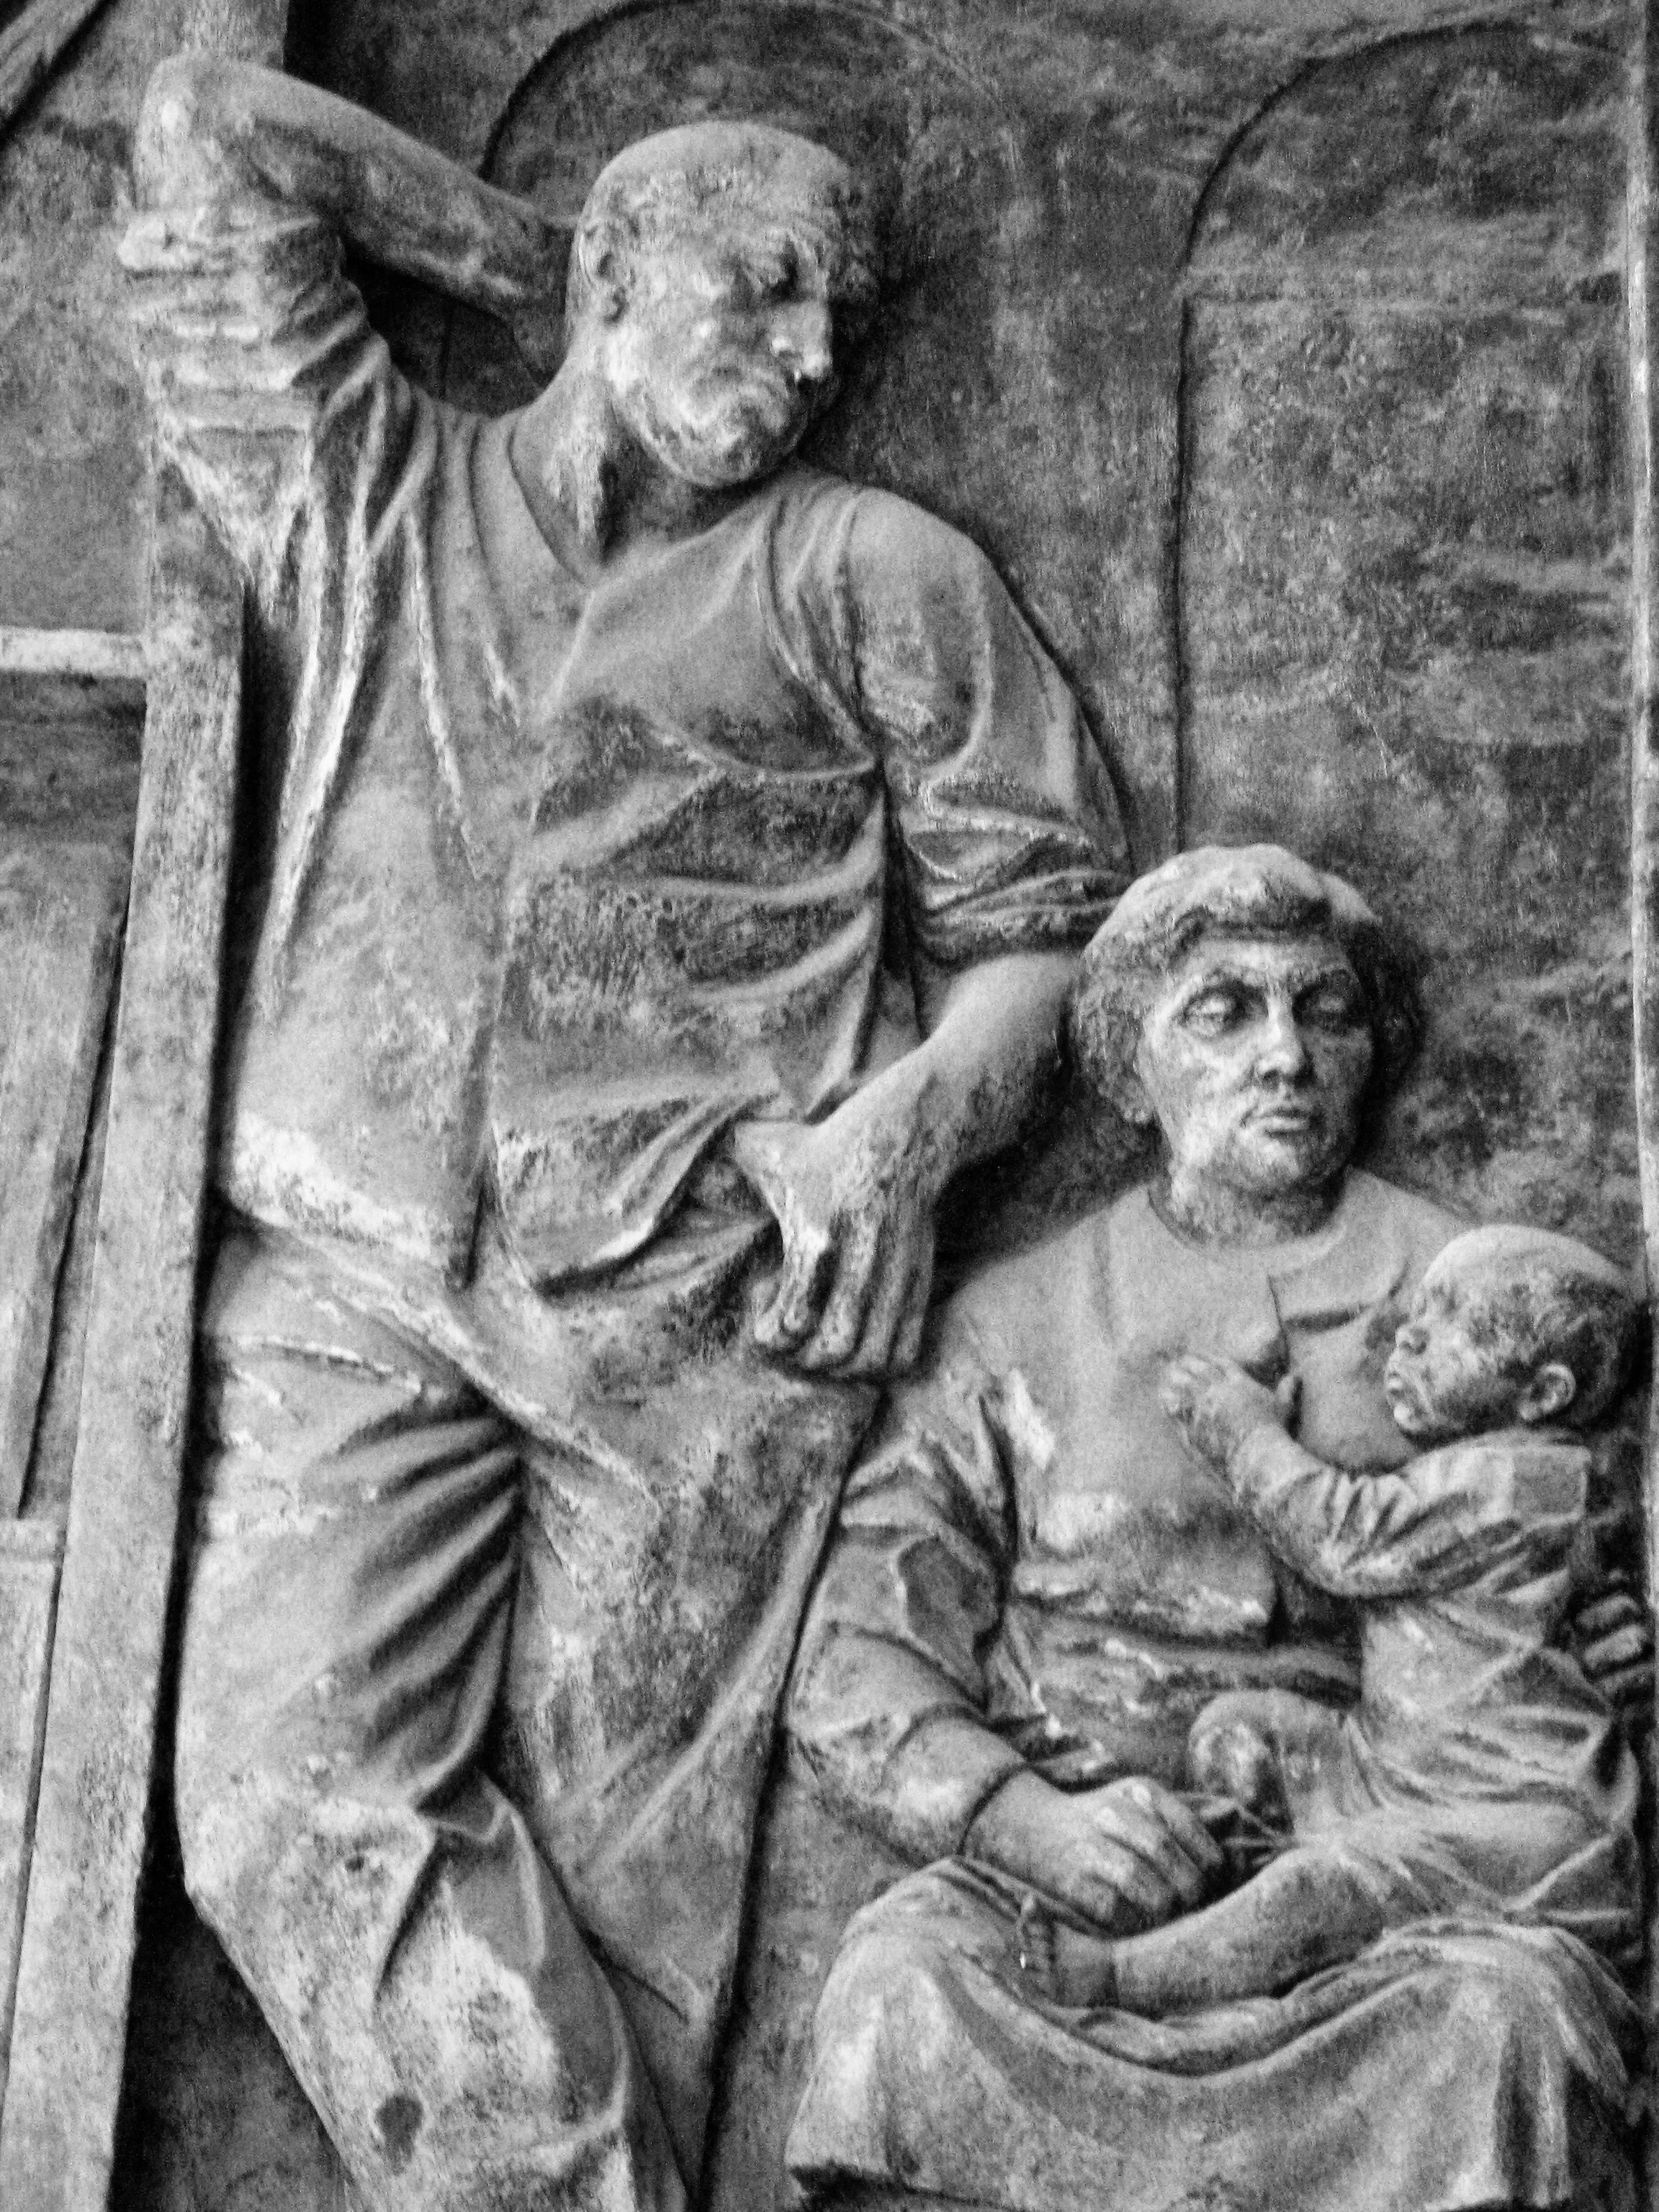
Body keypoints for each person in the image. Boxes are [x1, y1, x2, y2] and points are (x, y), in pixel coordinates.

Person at [122, 55, 1128, 2212]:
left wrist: (903, 1133)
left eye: (842, 314)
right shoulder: (363, 481)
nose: (813, 352)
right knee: (283, 1803)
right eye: (764, 286)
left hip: (699, 1328)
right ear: (612, 271)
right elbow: (203, 128)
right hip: (353, 1275)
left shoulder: (875, 569)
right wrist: (530, 265)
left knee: (628, 1923)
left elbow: (1047, 932)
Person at [786, 845, 1647, 2212]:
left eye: (1326, 1011)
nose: (1284, 1056)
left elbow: (1581, 1555)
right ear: (1131, 1069)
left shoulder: (1473, 1300)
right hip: (1075, 1897)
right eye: (1224, 1012)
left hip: (1393, 1898)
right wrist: (1022, 1820)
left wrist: (1606, 1646)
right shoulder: (1010, 1324)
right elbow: (853, 1662)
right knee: (900, 1993)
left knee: (1510, 2028)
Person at [1019, 1223, 1641, 2018]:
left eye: (1455, 1321)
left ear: (1543, 1395)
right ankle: (1246, 1924)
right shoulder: (1509, 1479)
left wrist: (1246, 1433)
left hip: (1504, 1821)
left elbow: (1342, 1539)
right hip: (1389, 1768)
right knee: (1239, 1736)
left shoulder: (1514, 1486)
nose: (1411, 1336)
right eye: (1420, 1310)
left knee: (1326, 1884)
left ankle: (1119, 1977)